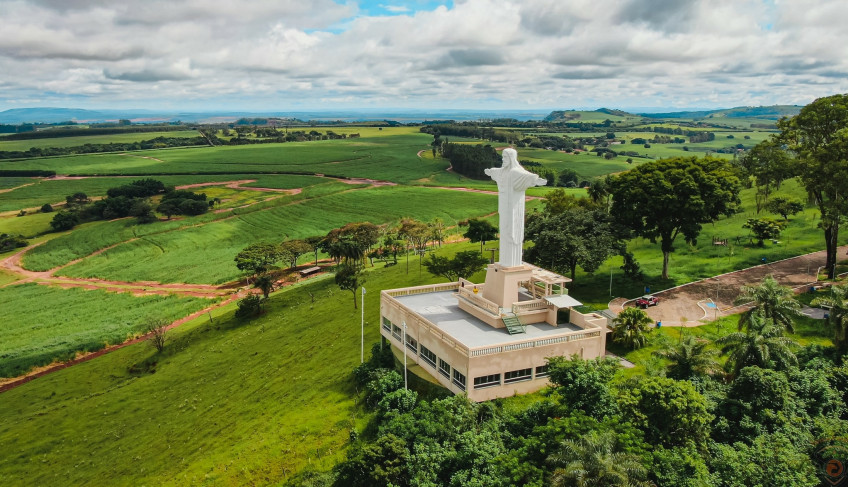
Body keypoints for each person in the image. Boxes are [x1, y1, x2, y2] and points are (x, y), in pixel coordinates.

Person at [485, 148, 547, 267]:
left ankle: (512, 263)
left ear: (512, 158)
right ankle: (504, 262)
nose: (503, 160)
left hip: (513, 208)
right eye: (502, 157)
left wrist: (536, 180)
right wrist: (489, 171)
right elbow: (495, 171)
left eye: (505, 157)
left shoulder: (515, 172)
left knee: (512, 231)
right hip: (503, 207)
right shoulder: (502, 172)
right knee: (504, 230)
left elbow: (527, 176)